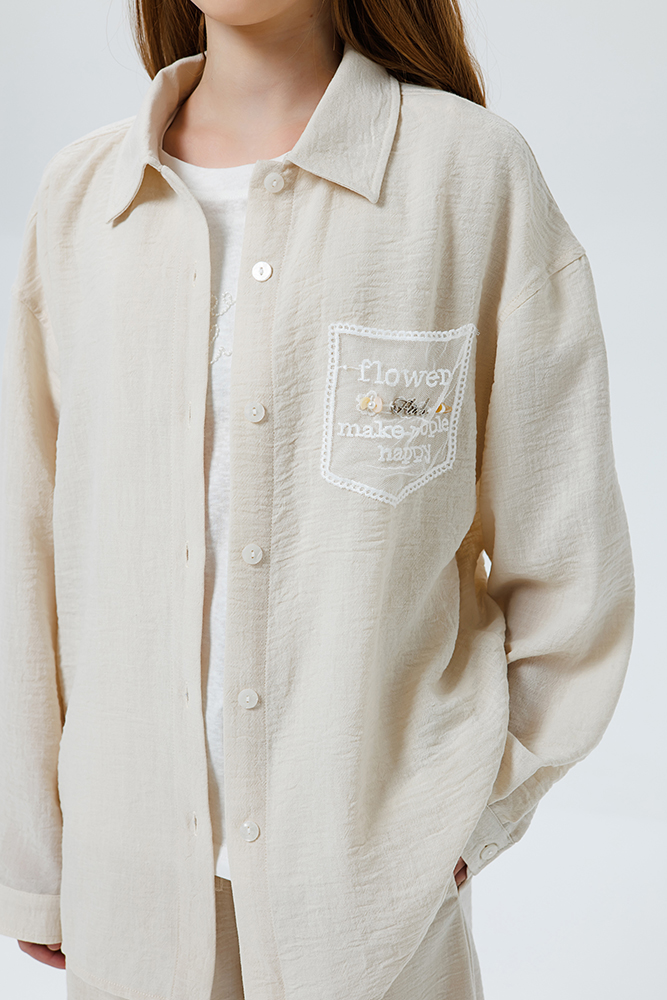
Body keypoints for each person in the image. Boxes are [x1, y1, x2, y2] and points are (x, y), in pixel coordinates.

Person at [0, 0, 634, 998]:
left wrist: (461, 824)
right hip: (129, 897)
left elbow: (568, 567)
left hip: (373, 915)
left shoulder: (469, 178)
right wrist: (37, 868)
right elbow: (29, 551)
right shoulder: (81, 200)